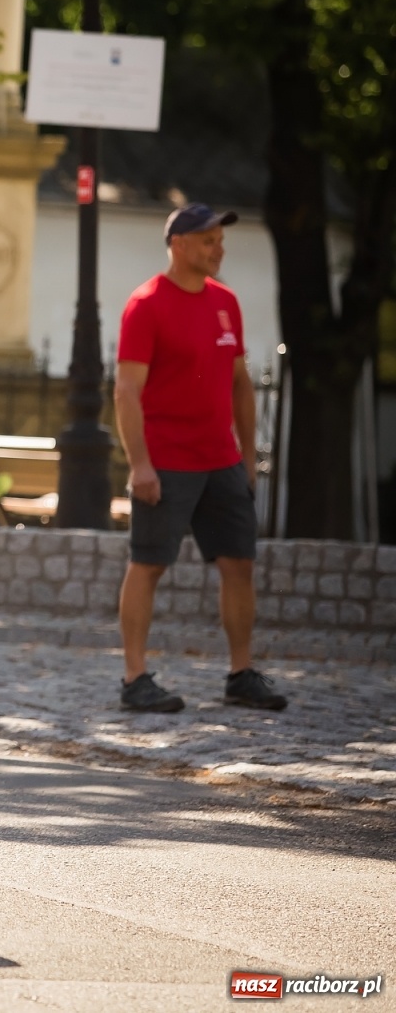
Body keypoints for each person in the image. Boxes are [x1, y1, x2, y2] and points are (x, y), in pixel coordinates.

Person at [113, 203, 287, 714]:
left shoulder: (226, 302)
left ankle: (240, 672)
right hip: (166, 462)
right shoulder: (146, 305)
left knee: (239, 564)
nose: (219, 249)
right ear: (180, 244)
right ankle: (135, 677)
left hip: (222, 461)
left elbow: (239, 384)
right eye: (209, 240)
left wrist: (249, 458)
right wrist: (140, 464)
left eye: (220, 240)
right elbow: (126, 390)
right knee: (148, 565)